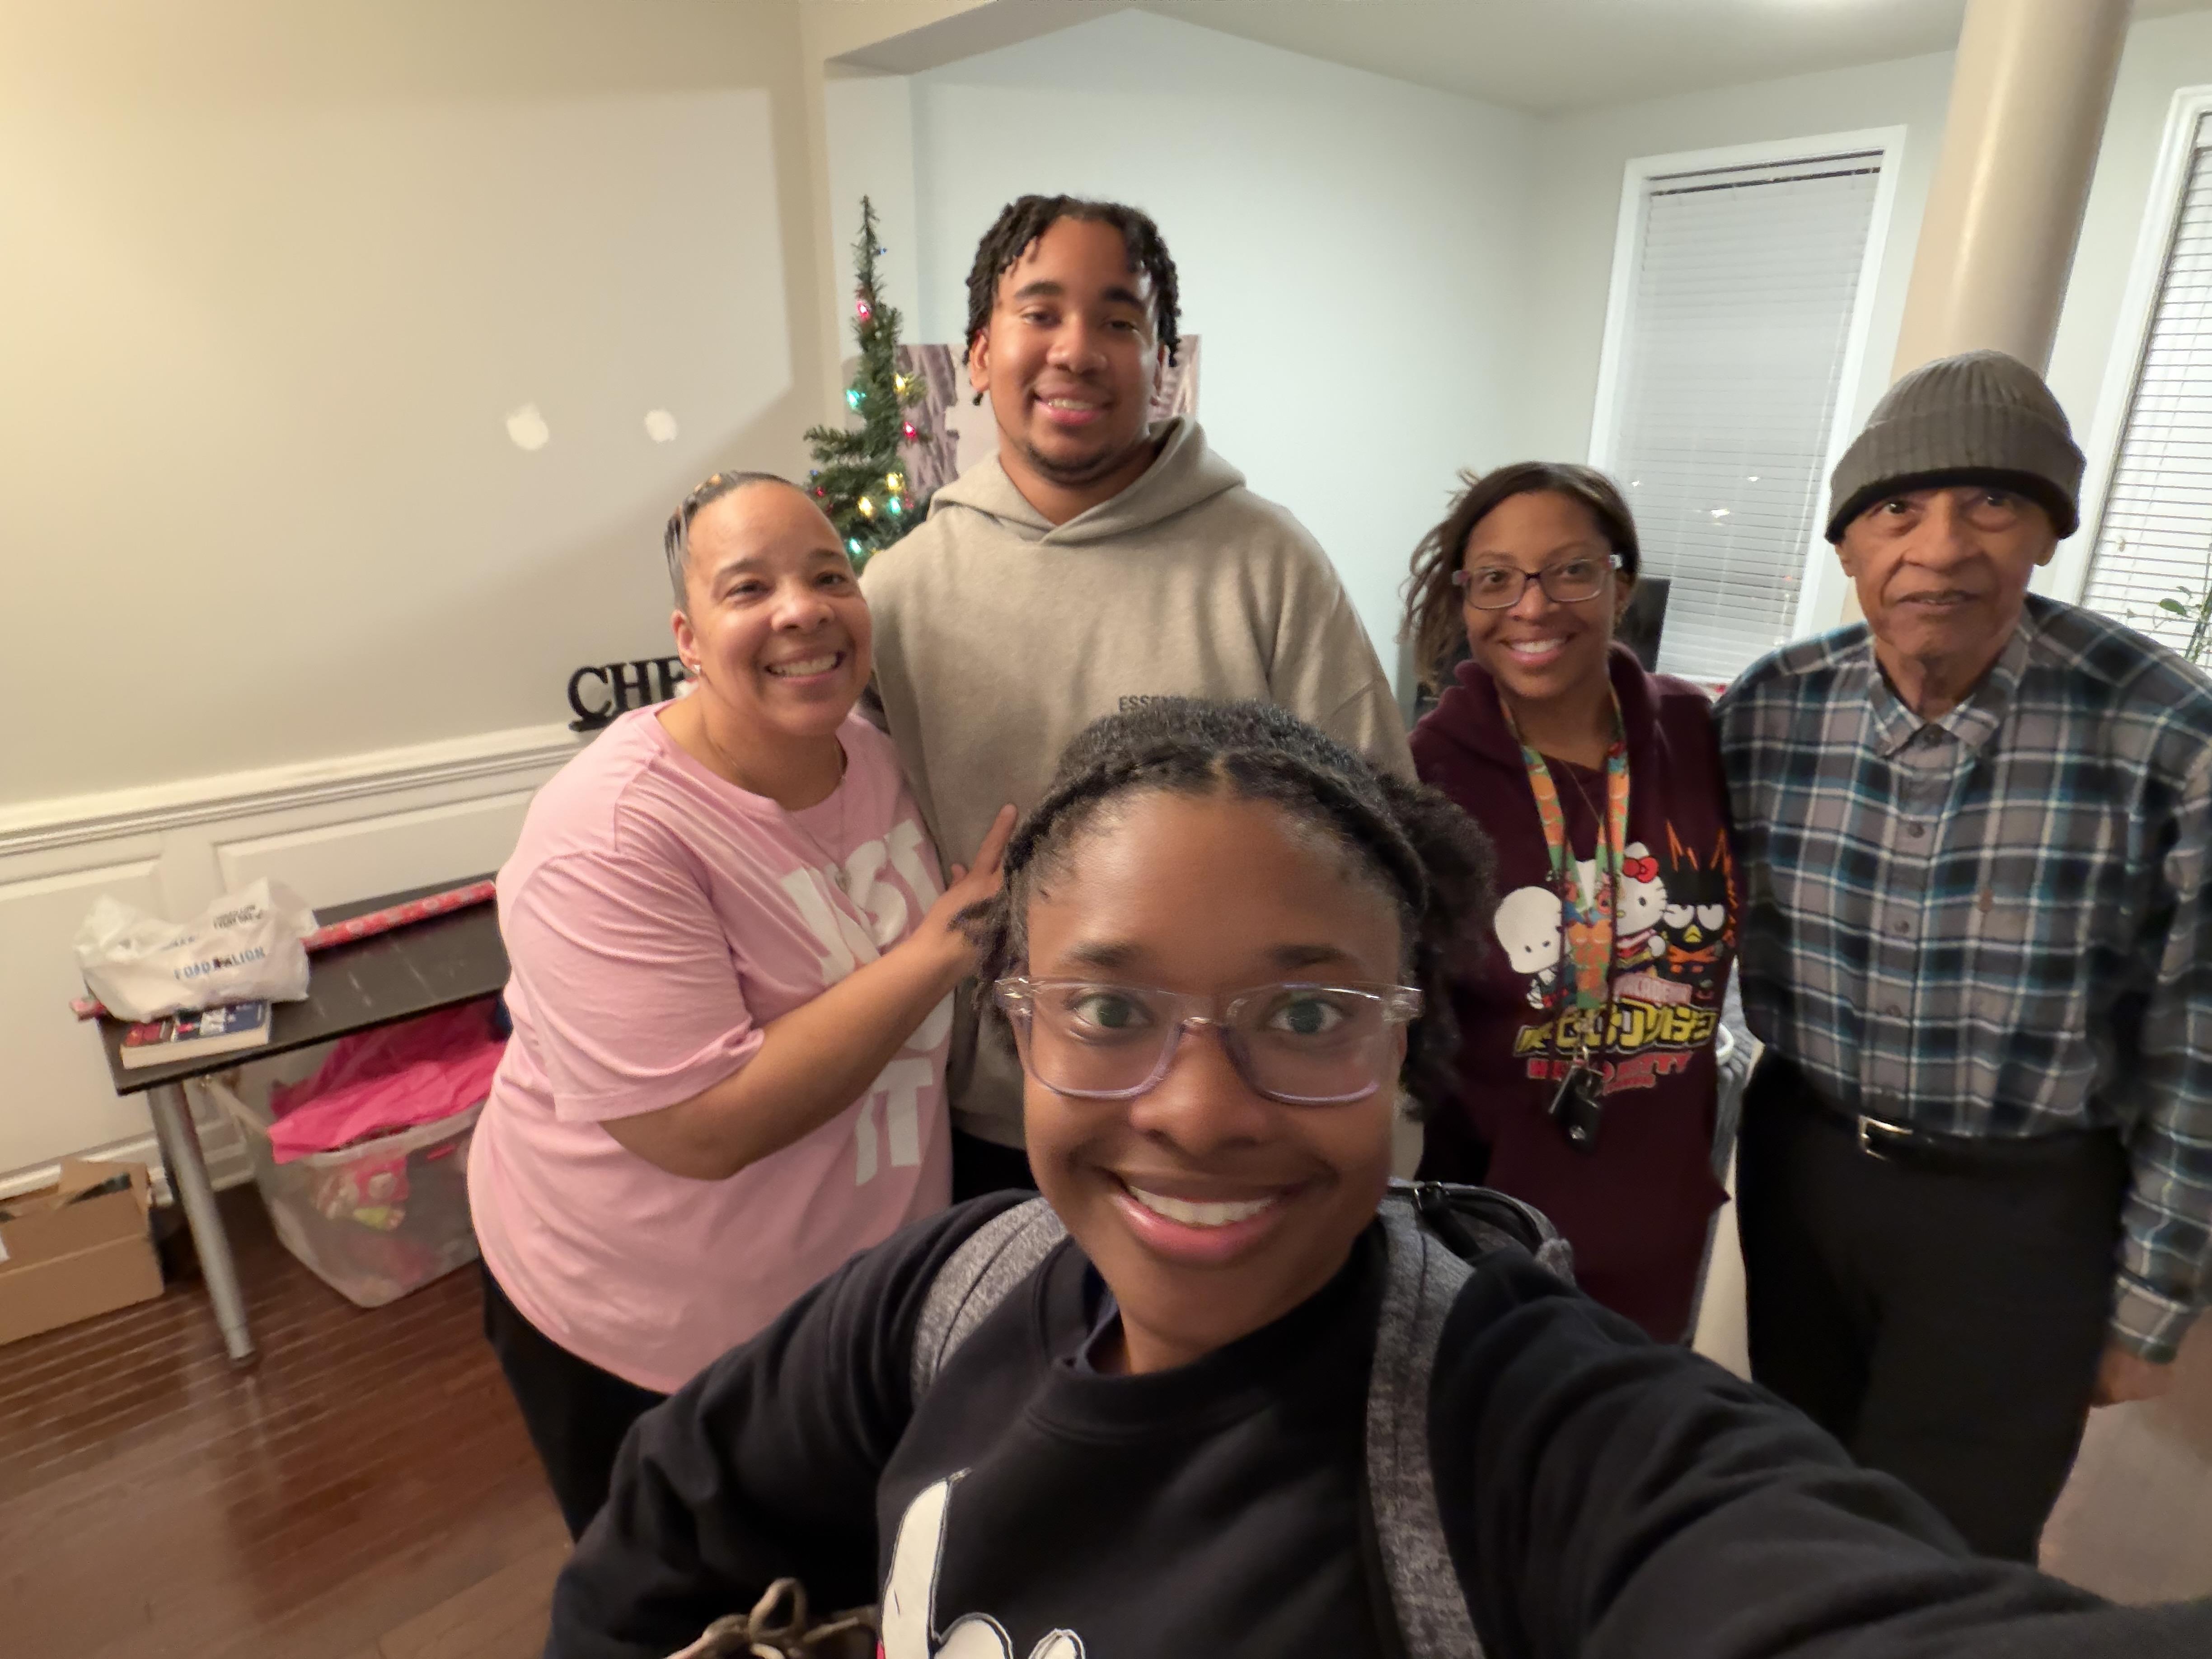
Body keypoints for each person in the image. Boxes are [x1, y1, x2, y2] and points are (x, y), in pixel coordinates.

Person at [546, 700, 2212, 1659]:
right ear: (1017, 1027)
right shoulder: (943, 1294)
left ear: (1404, 1045)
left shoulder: (1523, 1440)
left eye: (1304, 1014)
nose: (1197, 1110)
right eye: (1111, 1009)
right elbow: (660, 1530)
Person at [1717, 348, 2212, 1562]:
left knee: (1950, 1557)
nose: (1938, 547)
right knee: (1791, 1494)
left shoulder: (2167, 734)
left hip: (2024, 1211)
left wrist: (2150, 1303)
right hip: (1806, 1166)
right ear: (1848, 545)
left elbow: (2198, 1041)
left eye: (1991, 502)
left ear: (2048, 528)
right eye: (1898, 509)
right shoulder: (1768, 712)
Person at [465, 470, 1012, 1538]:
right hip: (641, 1333)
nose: (801, 609)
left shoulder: (885, 762)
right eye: (748, 587)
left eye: (829, 576)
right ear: (686, 635)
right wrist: (944, 946)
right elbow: (699, 1125)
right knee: (688, 1614)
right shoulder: (609, 831)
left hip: (850, 1313)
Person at [861, 194, 1410, 1200]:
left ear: (1162, 363)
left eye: (1120, 321)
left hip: (1228, 1100)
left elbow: (1379, 830)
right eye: (1041, 312)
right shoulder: (893, 596)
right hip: (987, 1115)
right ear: (979, 354)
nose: (1078, 350)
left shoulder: (1268, 564)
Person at [1401, 463, 1734, 1341]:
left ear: (1621, 583)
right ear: (1464, 599)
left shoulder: (1700, 737)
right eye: (1497, 579)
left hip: (1658, 1214)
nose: (1534, 607)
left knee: (1633, 1459)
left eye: (1572, 571)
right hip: (1487, 1229)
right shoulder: (1421, 780)